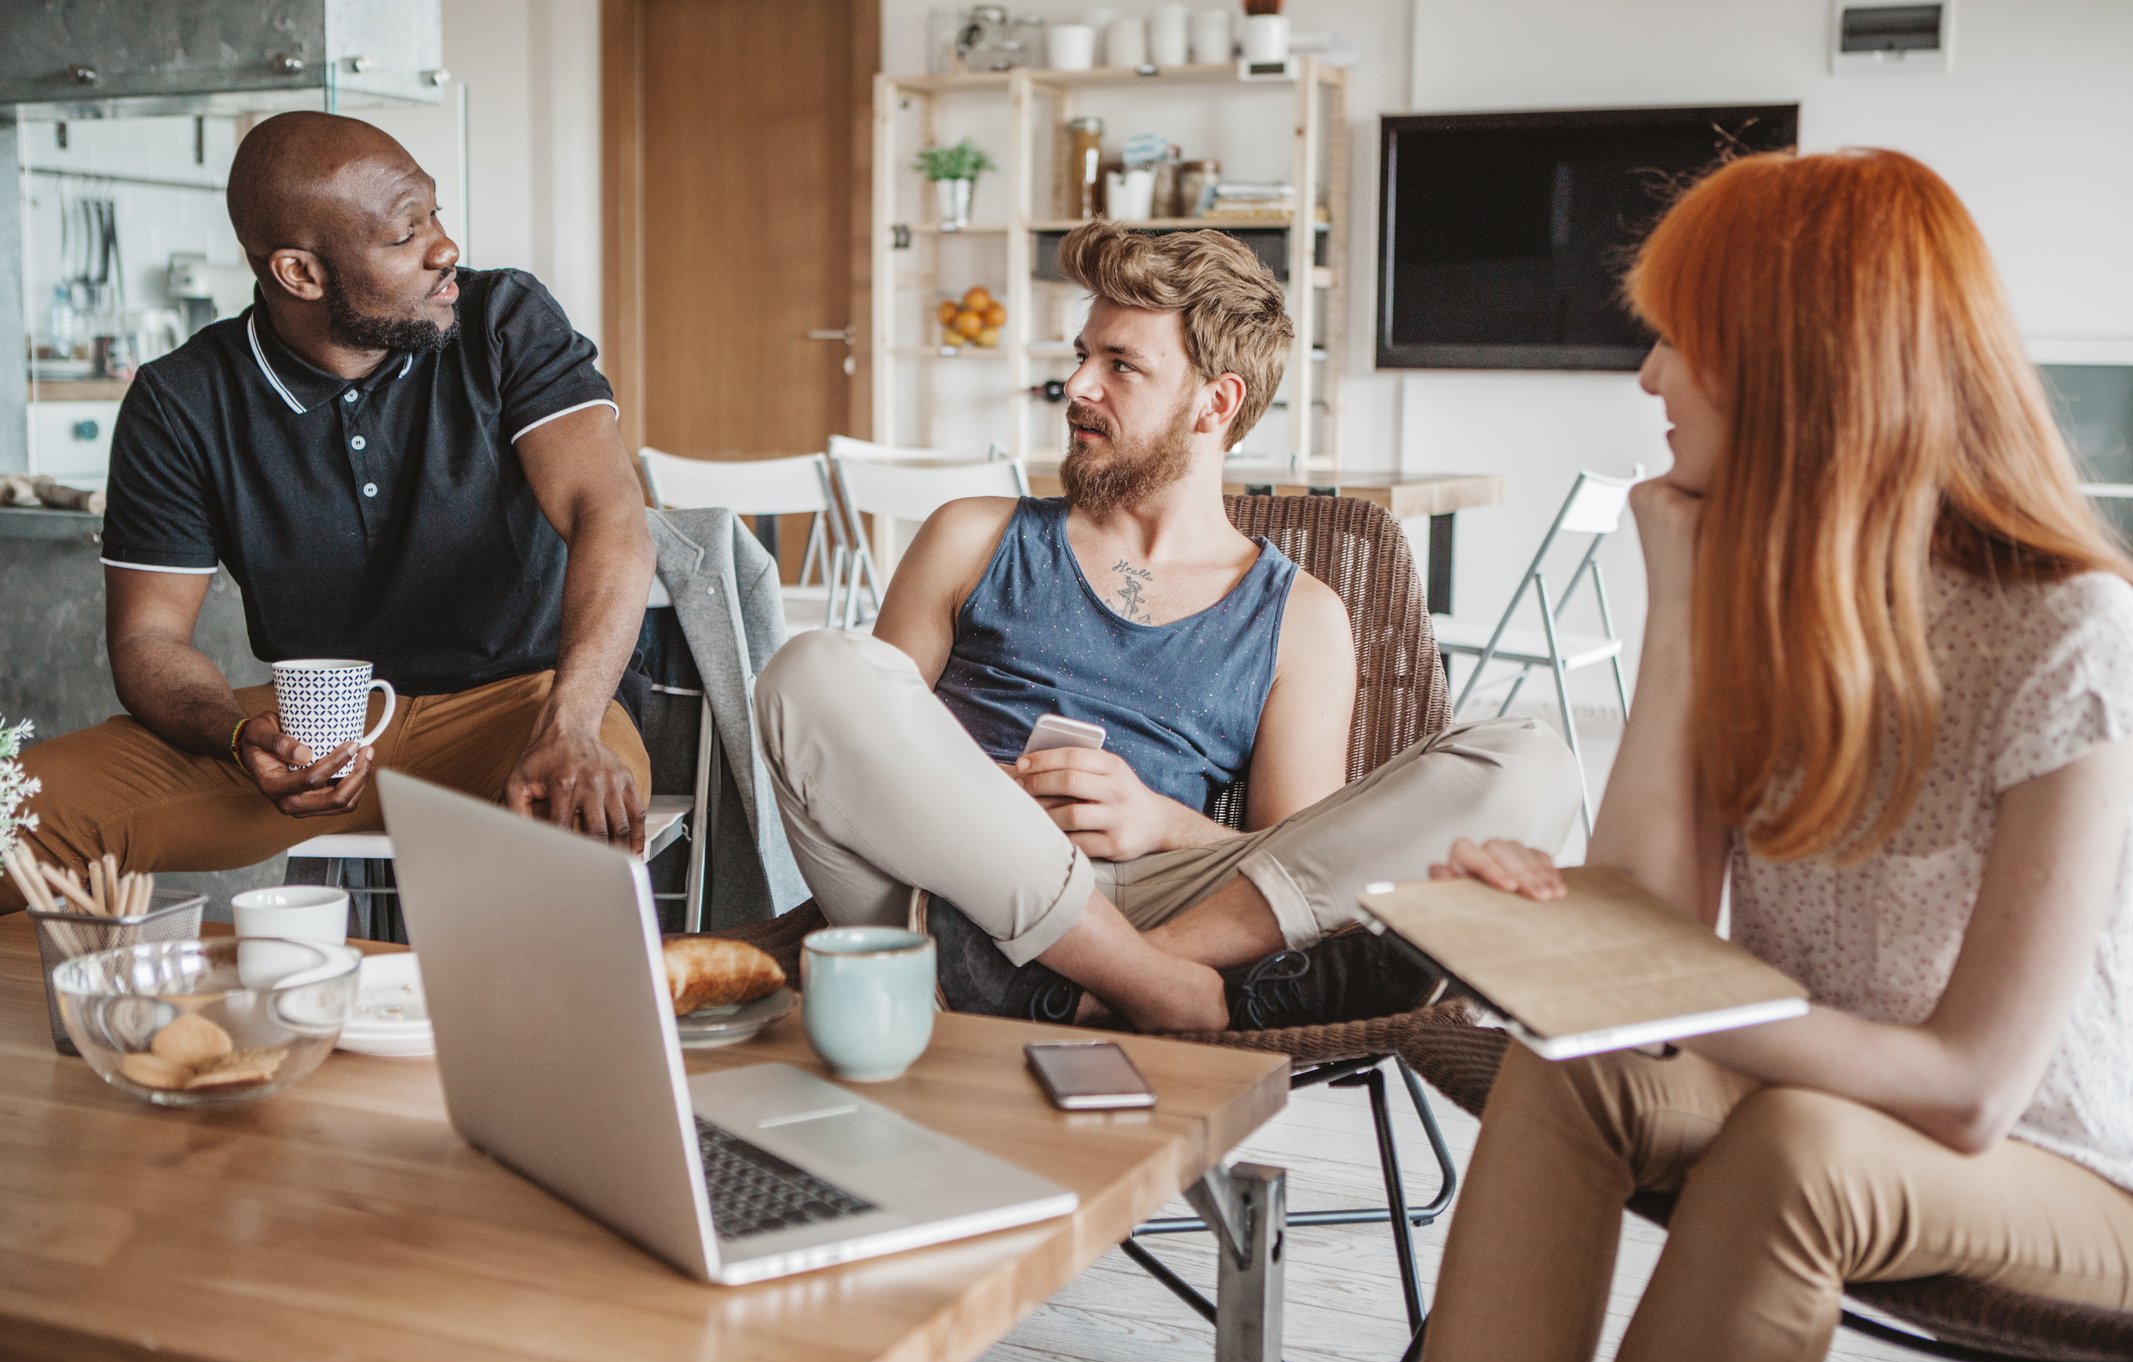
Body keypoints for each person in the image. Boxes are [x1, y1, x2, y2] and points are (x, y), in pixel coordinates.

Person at [1415, 148, 2133, 1362]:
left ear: (1803, 365)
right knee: (1569, 1060)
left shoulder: (2067, 634)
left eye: (1681, 339)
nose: (1648, 376)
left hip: (2066, 1166)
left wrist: (1655, 996)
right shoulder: (1768, 599)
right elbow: (1661, 922)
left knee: (1797, 1149)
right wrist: (1569, 935)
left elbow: (1972, 1092)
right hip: (1804, 1095)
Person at [755, 222, 1581, 1032]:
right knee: (815, 665)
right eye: (1081, 356)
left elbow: (1303, 853)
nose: (1077, 386)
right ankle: (1158, 991)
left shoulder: (1299, 617)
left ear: (1213, 403)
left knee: (1529, 761)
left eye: (1120, 365)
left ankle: (1095, 983)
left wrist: (1159, 822)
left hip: (1162, 894)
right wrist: (980, 796)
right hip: (945, 902)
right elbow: (865, 742)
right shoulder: (972, 535)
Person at [0, 112, 653, 914]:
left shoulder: (503, 319)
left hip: (517, 707)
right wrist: (240, 738)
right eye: (404, 234)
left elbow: (609, 517)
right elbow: (148, 638)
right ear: (300, 275)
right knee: (11, 818)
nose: (444, 247)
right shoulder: (180, 400)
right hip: (312, 724)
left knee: (584, 829)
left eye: (435, 214)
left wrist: (574, 723)